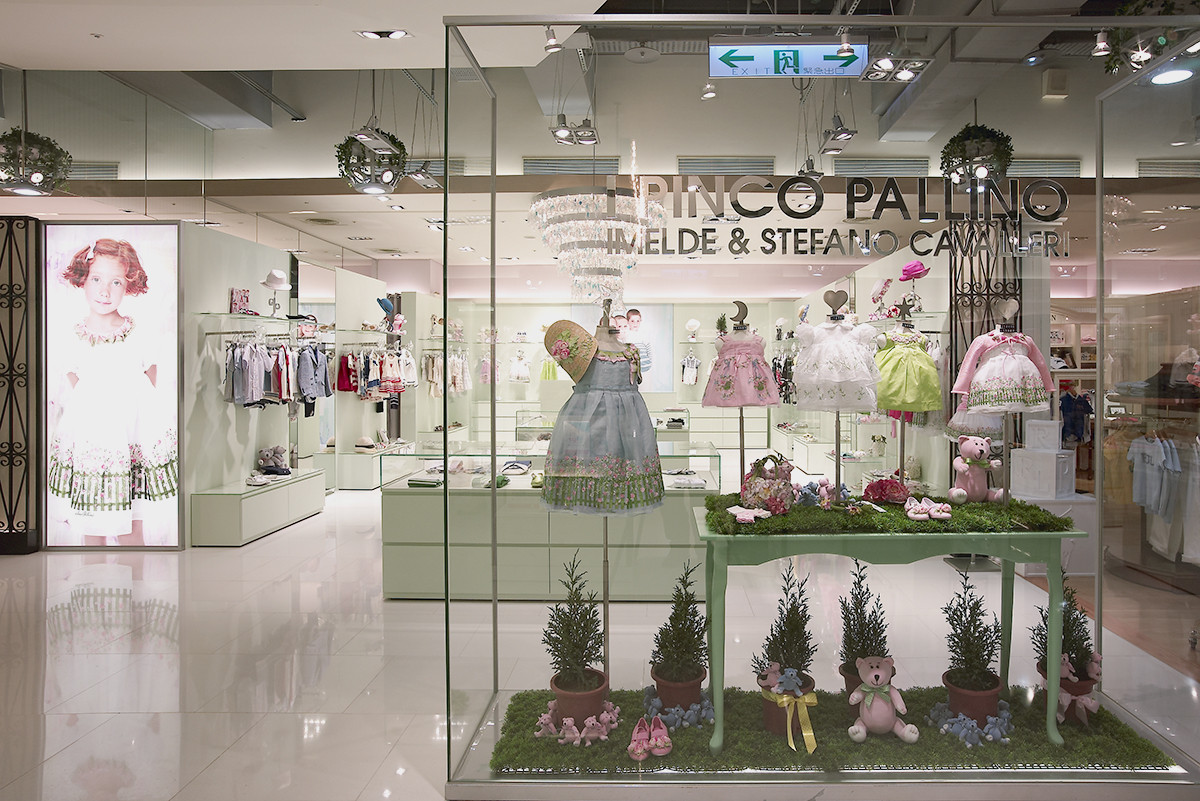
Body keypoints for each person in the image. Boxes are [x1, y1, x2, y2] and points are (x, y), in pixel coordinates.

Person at [48, 239, 178, 546]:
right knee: (90, 526)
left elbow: (150, 385)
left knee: (132, 527)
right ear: (83, 280)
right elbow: (76, 384)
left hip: (131, 436)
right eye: (96, 279)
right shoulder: (71, 336)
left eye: (115, 282)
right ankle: (92, 574)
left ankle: (135, 576)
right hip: (91, 438)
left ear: (128, 284)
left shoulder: (140, 334)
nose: (105, 291)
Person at [626, 307, 653, 373]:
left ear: (640, 321)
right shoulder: (626, 335)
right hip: (633, 368)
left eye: (638, 321)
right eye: (632, 321)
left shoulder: (643, 334)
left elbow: (649, 349)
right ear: (628, 321)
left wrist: (650, 361)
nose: (635, 323)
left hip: (646, 366)